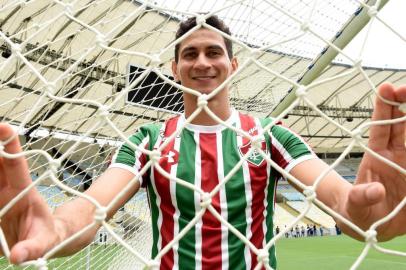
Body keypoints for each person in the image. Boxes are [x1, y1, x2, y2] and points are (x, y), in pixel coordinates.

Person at [0, 15, 405, 270]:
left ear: (233, 65)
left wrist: (370, 213)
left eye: (214, 52)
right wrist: (56, 229)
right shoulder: (148, 141)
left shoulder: (271, 135)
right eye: (190, 54)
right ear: (175, 69)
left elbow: (341, 201)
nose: (202, 62)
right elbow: (92, 208)